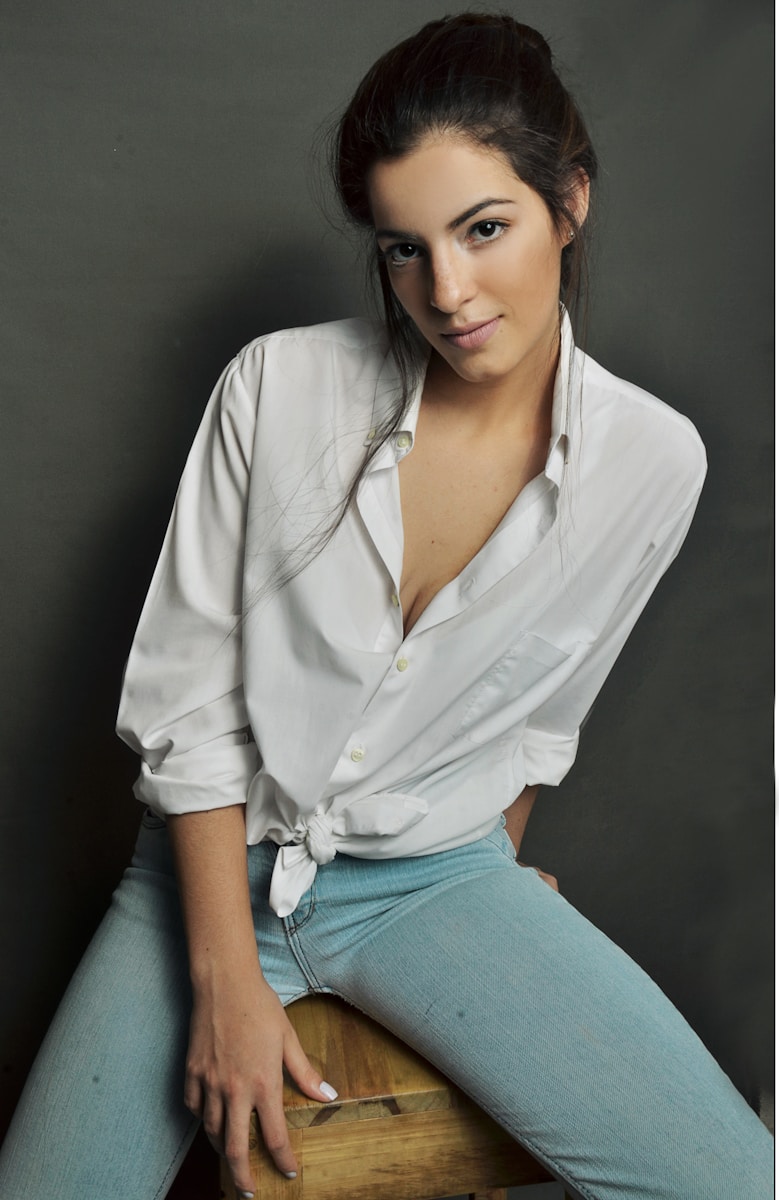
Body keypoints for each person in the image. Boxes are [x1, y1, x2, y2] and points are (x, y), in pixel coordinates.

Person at [0, 13, 771, 1200]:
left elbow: (535, 720)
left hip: (433, 882)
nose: (446, 291)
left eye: (482, 229)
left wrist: (494, 907)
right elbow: (189, 711)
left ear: (569, 201)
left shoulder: (655, 462)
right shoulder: (278, 387)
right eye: (402, 248)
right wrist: (224, 983)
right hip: (204, 879)